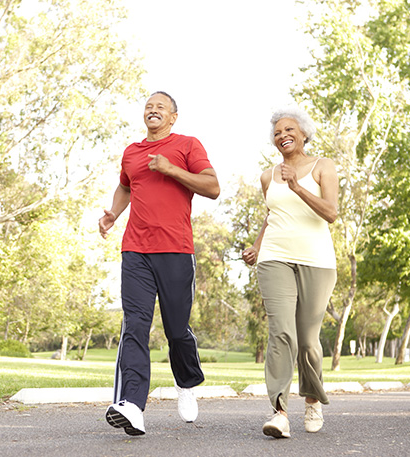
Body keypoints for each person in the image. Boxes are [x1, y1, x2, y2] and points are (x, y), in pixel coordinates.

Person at [99, 91, 220, 436]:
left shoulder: (187, 146)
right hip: (135, 249)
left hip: (176, 250)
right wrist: (112, 214)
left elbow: (213, 187)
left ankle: (186, 382)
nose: (153, 110)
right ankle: (132, 405)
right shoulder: (132, 153)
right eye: (148, 107)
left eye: (160, 107)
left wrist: (172, 169)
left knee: (176, 329)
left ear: (173, 117)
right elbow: (125, 187)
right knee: (135, 324)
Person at [242, 106, 338, 438]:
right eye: (277, 132)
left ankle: (312, 399)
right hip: (275, 257)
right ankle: (280, 412)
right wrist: (257, 246)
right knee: (281, 332)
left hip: (317, 261)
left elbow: (331, 213)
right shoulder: (268, 175)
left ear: (304, 134)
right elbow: (272, 215)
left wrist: (298, 186)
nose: (282, 135)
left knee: (308, 340)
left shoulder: (323, 166)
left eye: (289, 130)